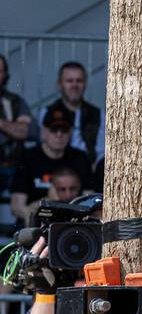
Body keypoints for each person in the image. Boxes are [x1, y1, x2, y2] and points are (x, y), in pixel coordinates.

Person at [10, 111, 93, 226]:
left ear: (71, 133)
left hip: (74, 223)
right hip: (37, 222)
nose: (59, 134)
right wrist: (48, 203)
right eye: (54, 129)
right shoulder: (28, 157)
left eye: (64, 130)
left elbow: (90, 199)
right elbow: (17, 207)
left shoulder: (80, 158)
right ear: (43, 132)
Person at [37, 61, 104, 167]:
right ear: (59, 84)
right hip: (57, 171)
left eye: (79, 81)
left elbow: (101, 152)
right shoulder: (47, 113)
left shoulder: (98, 114)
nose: (74, 85)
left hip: (88, 170)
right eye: (69, 81)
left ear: (85, 84)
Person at [0, 54, 33, 231]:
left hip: (9, 167)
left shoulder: (13, 102)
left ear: (5, 75)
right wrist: (9, 127)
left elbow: (25, 131)